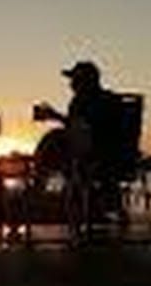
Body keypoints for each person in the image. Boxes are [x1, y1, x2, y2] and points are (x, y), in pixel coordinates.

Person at [33, 60, 122, 190]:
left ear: (85, 81)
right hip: (117, 157)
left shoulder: (88, 102)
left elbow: (85, 128)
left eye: (74, 79)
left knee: (52, 139)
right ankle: (71, 192)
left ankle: (38, 188)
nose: (71, 84)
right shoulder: (111, 99)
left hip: (95, 156)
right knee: (55, 138)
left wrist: (55, 116)